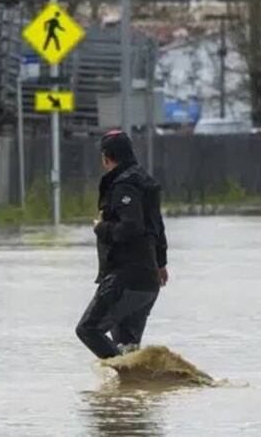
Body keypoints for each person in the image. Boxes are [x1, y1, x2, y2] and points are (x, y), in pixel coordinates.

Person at [75, 130, 168, 359]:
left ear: (106, 157)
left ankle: (130, 376)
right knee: (127, 347)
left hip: (125, 279)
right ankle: (133, 389)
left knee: (88, 330)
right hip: (147, 282)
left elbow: (131, 227)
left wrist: (101, 228)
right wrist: (161, 263)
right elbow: (157, 226)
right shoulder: (145, 181)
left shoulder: (123, 185)